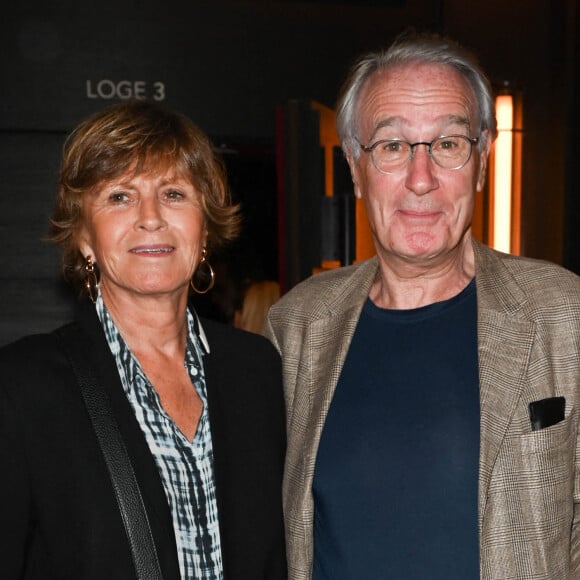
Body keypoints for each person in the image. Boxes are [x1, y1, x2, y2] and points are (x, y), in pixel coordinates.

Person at [265, 31, 580, 580]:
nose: (420, 179)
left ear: (482, 160)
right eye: (391, 147)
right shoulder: (295, 327)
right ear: (355, 168)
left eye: (448, 144)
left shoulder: (564, 314)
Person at [0, 99, 287, 579]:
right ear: (85, 237)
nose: (151, 216)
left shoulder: (258, 370)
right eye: (119, 196)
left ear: (204, 228)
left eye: (174, 193)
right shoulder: (22, 389)